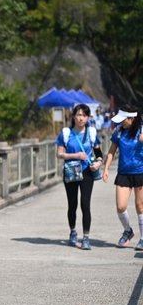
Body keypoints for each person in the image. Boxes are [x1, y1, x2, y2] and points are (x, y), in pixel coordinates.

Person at [56, 104, 103, 250]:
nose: (81, 118)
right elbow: (59, 154)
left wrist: (99, 163)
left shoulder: (92, 133)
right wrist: (75, 155)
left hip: (87, 172)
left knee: (85, 204)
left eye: (84, 115)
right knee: (72, 204)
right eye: (78, 115)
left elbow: (99, 153)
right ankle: (73, 232)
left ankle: (86, 238)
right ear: (73, 116)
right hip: (70, 172)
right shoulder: (66, 133)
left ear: (88, 117)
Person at [102, 105, 143, 249]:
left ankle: (142, 238)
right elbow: (111, 151)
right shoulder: (119, 131)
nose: (121, 122)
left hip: (140, 172)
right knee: (120, 206)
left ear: (132, 118)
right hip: (123, 173)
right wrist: (106, 169)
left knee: (140, 206)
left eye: (123, 120)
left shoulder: (142, 130)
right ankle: (128, 230)